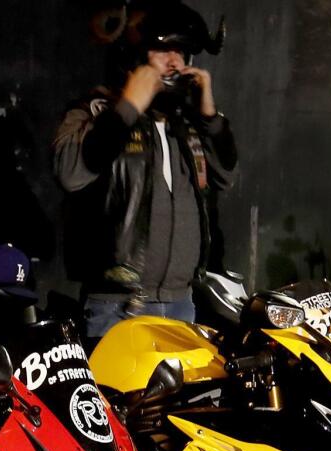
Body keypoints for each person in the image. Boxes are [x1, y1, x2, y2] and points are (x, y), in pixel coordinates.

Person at [54, 0, 237, 338]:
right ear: (135, 54)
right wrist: (127, 109)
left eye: (182, 52)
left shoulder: (187, 123)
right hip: (118, 308)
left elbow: (226, 176)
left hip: (182, 303)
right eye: (163, 50)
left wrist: (210, 118)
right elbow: (69, 172)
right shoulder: (95, 112)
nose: (175, 62)